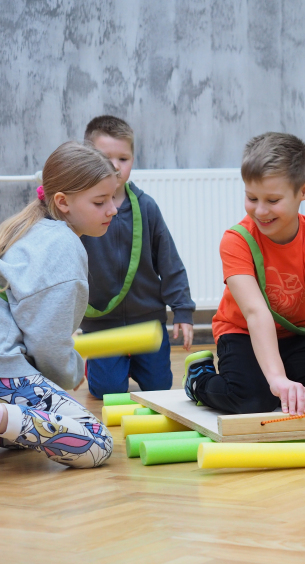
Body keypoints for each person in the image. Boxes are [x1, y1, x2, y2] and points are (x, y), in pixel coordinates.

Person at [0, 141, 117, 483]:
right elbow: (47, 343)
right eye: (100, 202)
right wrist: (70, 372)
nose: (113, 209)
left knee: (23, 433)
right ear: (63, 202)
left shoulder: (30, 228)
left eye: (113, 198)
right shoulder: (63, 245)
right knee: (96, 442)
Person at [182, 132, 305, 415]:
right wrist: (276, 379)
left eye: (273, 200)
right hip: (241, 332)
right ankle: (198, 378)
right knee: (252, 400)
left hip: (296, 332)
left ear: (304, 191)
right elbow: (255, 313)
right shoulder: (236, 240)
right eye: (252, 198)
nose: (261, 211)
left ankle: (287, 380)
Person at [81, 115, 195, 398]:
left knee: (159, 387)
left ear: (133, 159)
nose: (115, 166)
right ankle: (103, 365)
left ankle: (129, 363)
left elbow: (169, 262)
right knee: (108, 391)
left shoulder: (146, 207)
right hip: (102, 322)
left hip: (147, 320)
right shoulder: (80, 212)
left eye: (123, 158)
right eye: (105, 158)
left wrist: (182, 310)